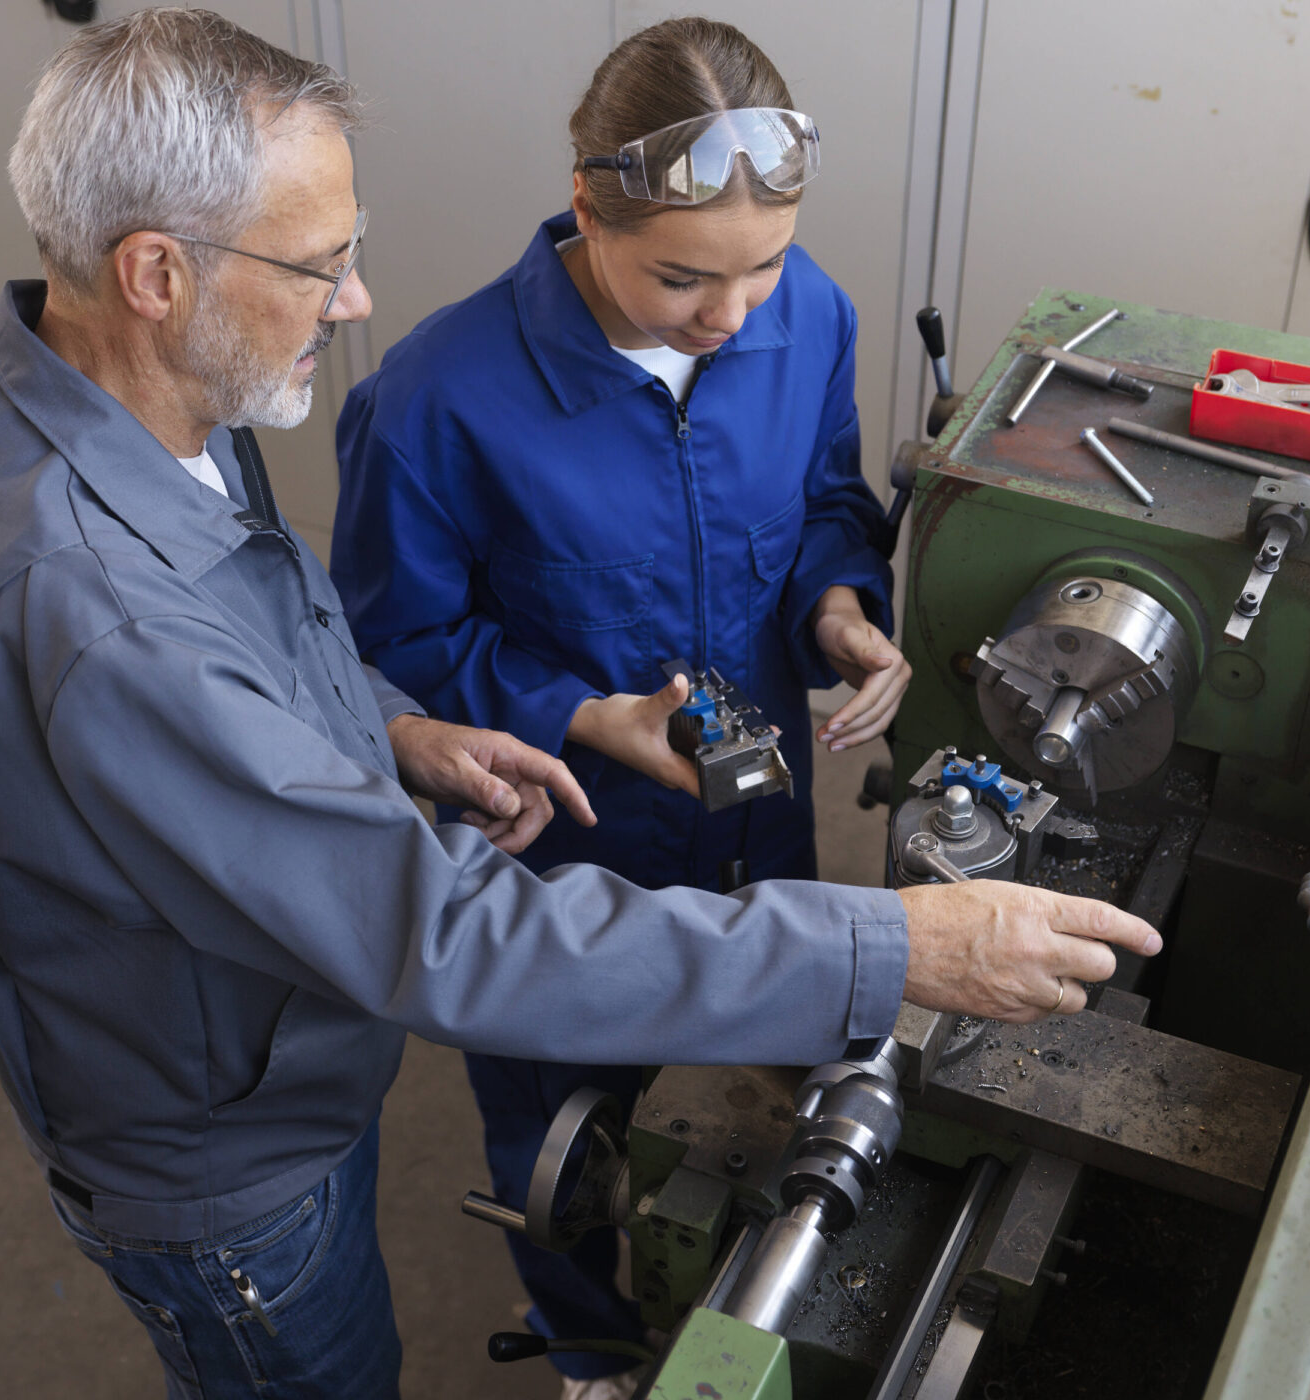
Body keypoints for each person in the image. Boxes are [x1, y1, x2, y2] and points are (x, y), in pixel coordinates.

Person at [0, 10, 1162, 1399]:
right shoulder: (114, 603)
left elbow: (274, 647)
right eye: (321, 264)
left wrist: (396, 732)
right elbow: (437, 931)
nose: (355, 301)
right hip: (237, 1142)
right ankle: (593, 1350)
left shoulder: (133, 406)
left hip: (325, 1005)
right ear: (155, 273)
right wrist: (887, 948)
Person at [331, 20, 904, 1392]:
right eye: (682, 278)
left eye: (764, 266)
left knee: (754, 1092)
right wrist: (585, 717)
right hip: (564, 845)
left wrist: (838, 606)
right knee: (563, 1138)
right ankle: (589, 1348)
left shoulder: (812, 318)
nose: (732, 316)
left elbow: (827, 502)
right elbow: (390, 647)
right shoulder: (438, 400)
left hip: (753, 821)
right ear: (588, 210)